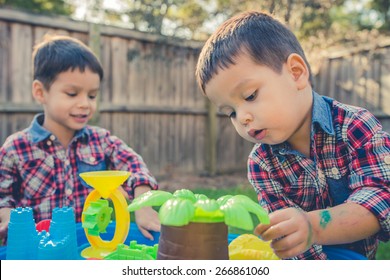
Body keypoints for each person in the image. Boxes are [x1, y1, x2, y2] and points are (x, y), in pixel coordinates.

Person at [195, 11, 390, 259]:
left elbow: (381, 200)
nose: (242, 117)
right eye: (230, 113)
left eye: (250, 96)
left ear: (296, 73)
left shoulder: (355, 126)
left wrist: (313, 227)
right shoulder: (261, 163)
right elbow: (287, 242)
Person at [0, 35, 160, 242]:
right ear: (40, 92)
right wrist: (5, 212)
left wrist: (144, 203)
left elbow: (133, 164)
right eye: (72, 93)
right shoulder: (16, 148)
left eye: (92, 96)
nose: (85, 104)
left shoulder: (100, 141)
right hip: (40, 252)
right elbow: (3, 195)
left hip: (88, 247)